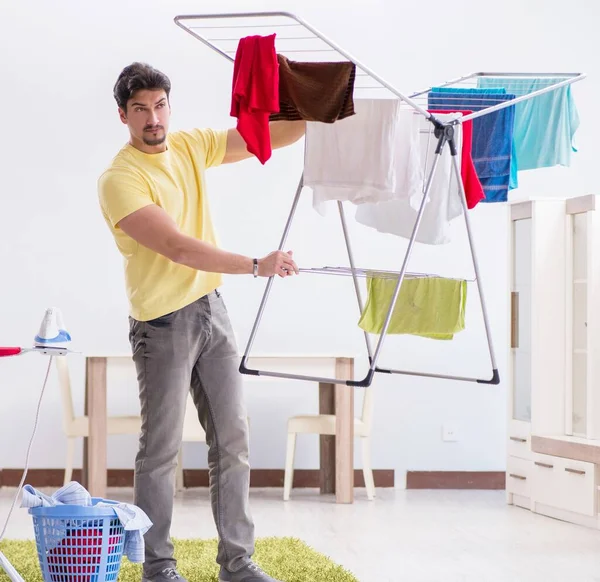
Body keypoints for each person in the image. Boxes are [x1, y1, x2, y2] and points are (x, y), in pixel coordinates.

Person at [97, 62, 305, 582]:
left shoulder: (189, 146)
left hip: (212, 310)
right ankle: (157, 567)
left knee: (233, 439)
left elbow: (265, 138)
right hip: (162, 323)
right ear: (122, 114)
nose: (153, 117)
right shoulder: (120, 179)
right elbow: (176, 246)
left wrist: (317, 106)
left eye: (160, 105)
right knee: (161, 450)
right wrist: (256, 265)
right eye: (141, 108)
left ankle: (238, 563)